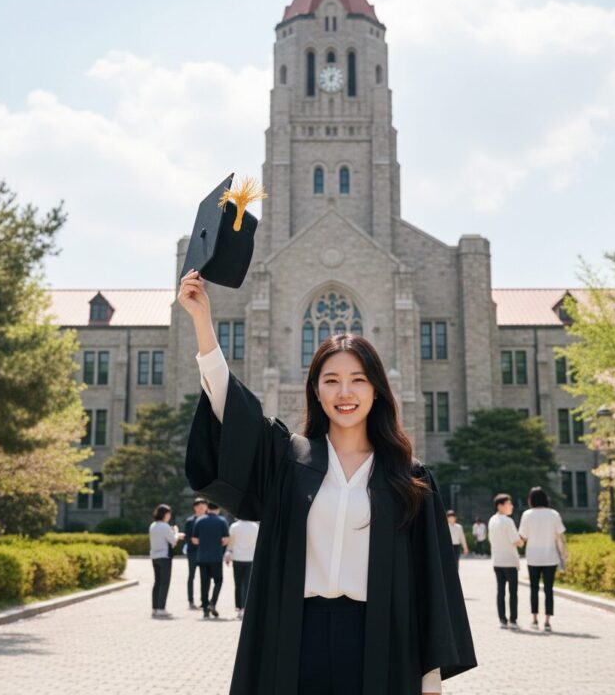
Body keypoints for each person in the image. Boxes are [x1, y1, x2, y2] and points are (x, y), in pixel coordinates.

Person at [179, 269, 476, 695]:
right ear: (316, 391)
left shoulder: (408, 478)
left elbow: (431, 583)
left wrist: (430, 680)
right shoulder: (290, 460)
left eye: (358, 380)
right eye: (331, 381)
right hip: (297, 636)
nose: (344, 393)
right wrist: (202, 322)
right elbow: (234, 412)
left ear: (377, 391)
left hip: (381, 641)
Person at [518, 486, 567, 632]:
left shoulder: (527, 515)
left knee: (534, 588)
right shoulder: (553, 514)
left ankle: (534, 619)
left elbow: (523, 536)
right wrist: (564, 554)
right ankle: (547, 621)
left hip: (533, 557)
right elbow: (560, 537)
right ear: (546, 499)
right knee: (548, 589)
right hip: (550, 557)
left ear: (531, 500)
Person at [488, 494, 523, 630]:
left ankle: (502, 620)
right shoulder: (508, 521)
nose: (511, 506)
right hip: (509, 561)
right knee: (513, 592)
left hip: (497, 561)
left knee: (500, 591)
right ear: (500, 506)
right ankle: (513, 620)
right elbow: (516, 541)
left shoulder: (492, 520)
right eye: (509, 504)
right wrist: (522, 542)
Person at [193, 501, 230, 619]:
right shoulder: (222, 521)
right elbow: (226, 540)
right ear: (218, 509)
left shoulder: (199, 520)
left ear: (207, 508)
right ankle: (212, 602)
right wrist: (219, 544)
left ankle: (205, 609)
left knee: (204, 583)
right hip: (216, 557)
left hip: (202, 557)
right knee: (218, 581)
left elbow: (194, 540)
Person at [149, 503, 184, 618]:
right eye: (169, 514)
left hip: (154, 556)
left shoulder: (153, 525)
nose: (169, 516)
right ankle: (161, 608)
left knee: (157, 582)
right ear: (165, 514)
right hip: (164, 557)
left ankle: (155, 608)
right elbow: (173, 541)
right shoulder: (164, 526)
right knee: (164, 583)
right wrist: (177, 534)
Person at [225, 518, 260, 619]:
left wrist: (228, 554)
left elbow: (230, 543)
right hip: (251, 558)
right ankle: (246, 607)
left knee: (238, 584)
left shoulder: (234, 526)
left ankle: (239, 608)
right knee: (248, 583)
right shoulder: (255, 526)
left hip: (237, 557)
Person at [185, 497, 208, 610]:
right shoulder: (190, 521)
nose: (202, 509)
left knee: (205, 577)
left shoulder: (209, 520)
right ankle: (191, 600)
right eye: (199, 507)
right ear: (195, 508)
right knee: (191, 576)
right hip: (193, 552)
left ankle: (204, 601)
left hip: (205, 553)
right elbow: (188, 537)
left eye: (204, 507)